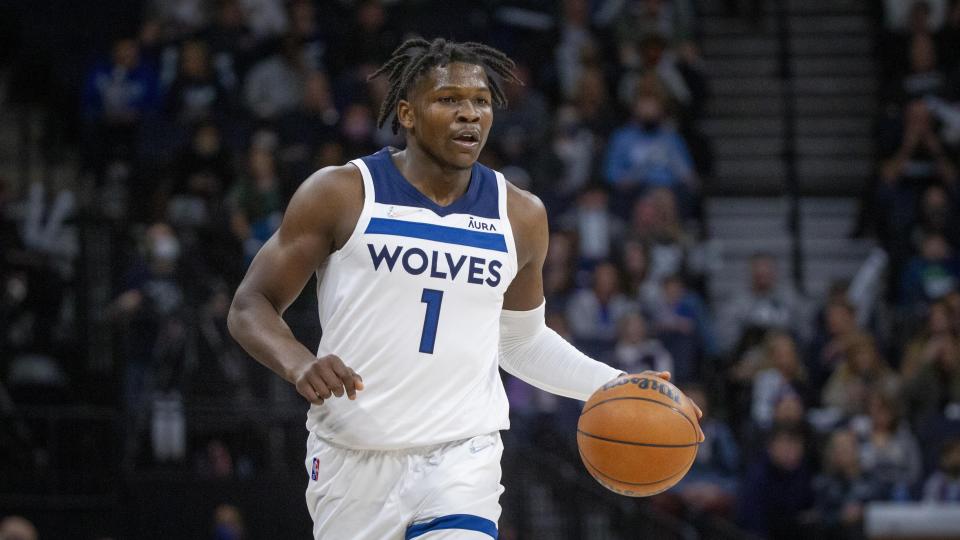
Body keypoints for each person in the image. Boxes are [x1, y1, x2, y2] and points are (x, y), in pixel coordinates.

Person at [227, 38, 703, 540]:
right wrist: (298, 362)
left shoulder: (520, 214)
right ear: (407, 114)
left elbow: (521, 341)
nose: (468, 115)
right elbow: (249, 305)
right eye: (449, 100)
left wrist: (619, 384)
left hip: (462, 453)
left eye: (479, 102)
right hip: (354, 455)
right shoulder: (342, 193)